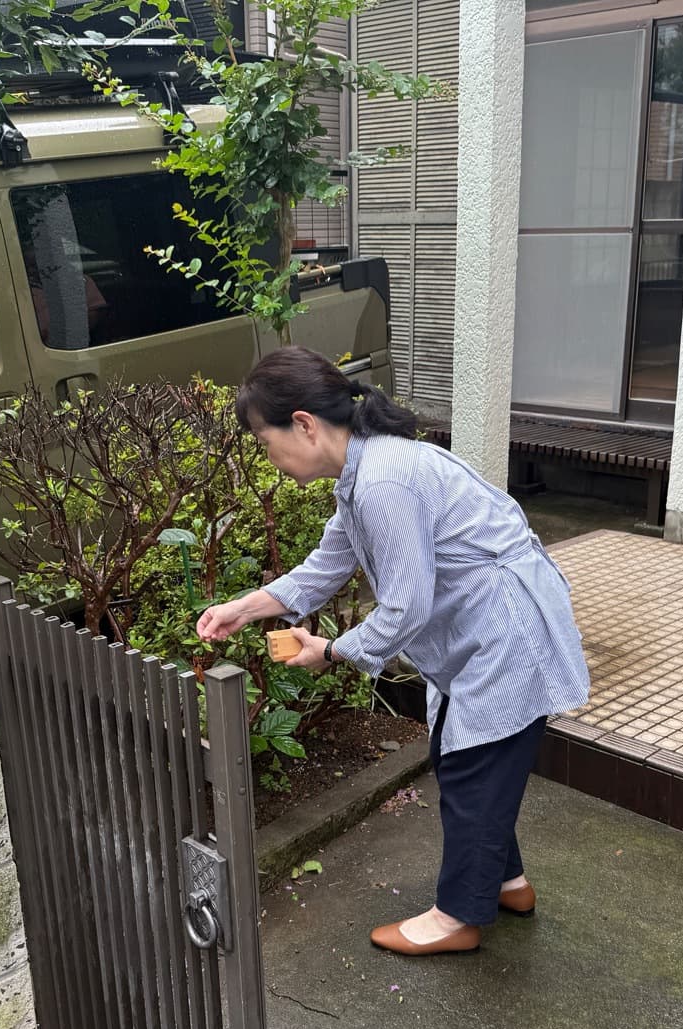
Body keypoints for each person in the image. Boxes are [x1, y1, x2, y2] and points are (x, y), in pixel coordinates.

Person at [197, 347, 589, 957]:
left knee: (472, 765)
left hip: (506, 631)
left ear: (303, 424)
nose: (268, 459)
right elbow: (325, 566)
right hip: (487, 628)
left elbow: (404, 609)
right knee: (467, 758)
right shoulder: (364, 472)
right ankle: (505, 883)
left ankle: (458, 917)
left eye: (265, 442)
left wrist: (333, 651)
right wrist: (243, 609)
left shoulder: (381, 481)